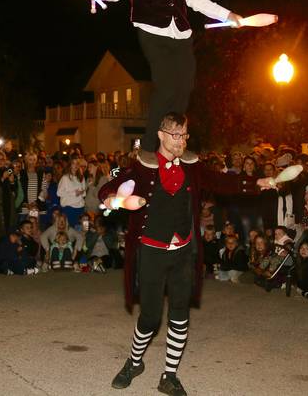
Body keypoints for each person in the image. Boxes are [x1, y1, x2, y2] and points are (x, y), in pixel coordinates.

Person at [100, 112, 268, 395]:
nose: (181, 140)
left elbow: (222, 181)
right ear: (162, 135)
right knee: (150, 318)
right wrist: (111, 197)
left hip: (183, 251)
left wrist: (257, 184)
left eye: (185, 134)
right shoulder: (142, 165)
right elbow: (112, 183)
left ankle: (169, 375)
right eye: (175, 135)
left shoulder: (193, 165)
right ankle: (134, 361)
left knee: (180, 314)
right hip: (152, 251)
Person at [95, 0, 242, 152]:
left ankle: (174, 142)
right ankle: (149, 146)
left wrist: (227, 14)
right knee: (165, 87)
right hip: (153, 31)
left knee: (184, 88)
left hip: (181, 32)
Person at [57, 158, 86, 229]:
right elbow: (59, 193)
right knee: (69, 230)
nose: (76, 165)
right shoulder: (65, 178)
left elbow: (84, 193)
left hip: (80, 207)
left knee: (80, 230)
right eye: (73, 163)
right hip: (69, 208)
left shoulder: (81, 177)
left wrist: (81, 192)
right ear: (70, 165)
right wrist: (73, 193)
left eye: (77, 163)